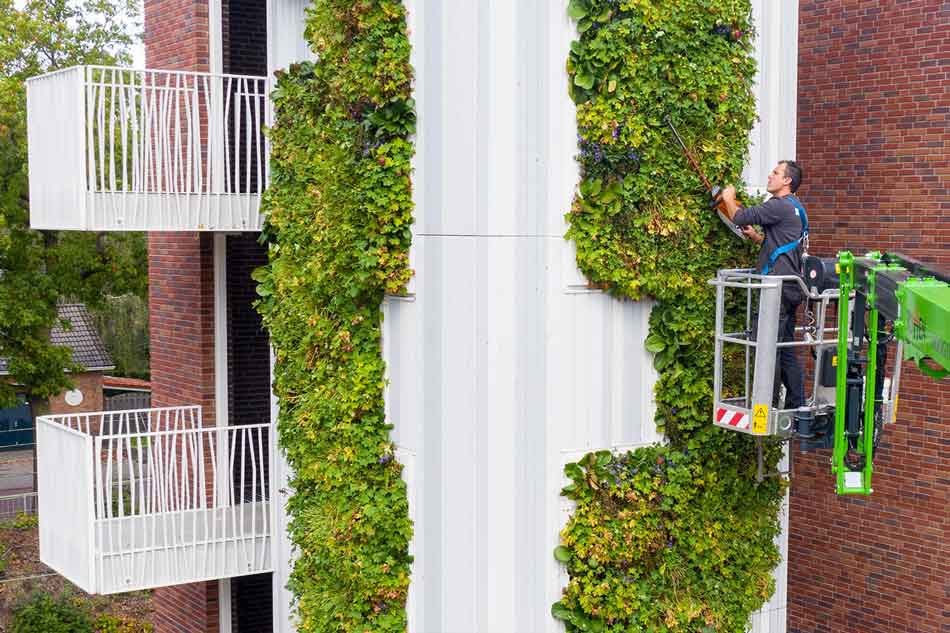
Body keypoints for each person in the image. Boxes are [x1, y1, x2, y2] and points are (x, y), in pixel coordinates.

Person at [718, 161, 807, 409]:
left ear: (787, 181)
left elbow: (739, 216)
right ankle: (796, 402)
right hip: (790, 287)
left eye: (776, 173)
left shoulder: (778, 206)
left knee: (767, 346)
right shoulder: (796, 208)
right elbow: (782, 244)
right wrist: (758, 238)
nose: (770, 176)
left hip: (775, 290)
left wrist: (728, 197)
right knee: (784, 346)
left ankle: (767, 406)